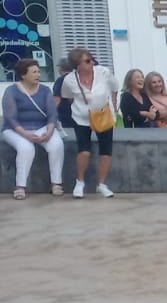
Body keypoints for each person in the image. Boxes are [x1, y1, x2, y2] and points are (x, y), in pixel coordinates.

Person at [3, 58, 65, 199]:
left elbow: (52, 114)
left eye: (38, 71)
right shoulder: (11, 91)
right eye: (34, 72)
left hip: (42, 127)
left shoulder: (45, 90)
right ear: (23, 75)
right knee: (26, 148)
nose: (38, 75)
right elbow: (10, 118)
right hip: (15, 129)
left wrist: (49, 132)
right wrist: (25, 134)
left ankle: (56, 183)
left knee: (56, 145)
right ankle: (20, 186)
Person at [59, 47, 115, 197]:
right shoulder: (69, 80)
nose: (92, 62)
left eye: (92, 59)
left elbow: (114, 87)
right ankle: (80, 182)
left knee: (106, 151)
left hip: (103, 115)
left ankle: (102, 184)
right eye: (87, 61)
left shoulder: (103, 72)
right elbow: (68, 97)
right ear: (77, 65)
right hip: (81, 118)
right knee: (84, 151)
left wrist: (114, 107)